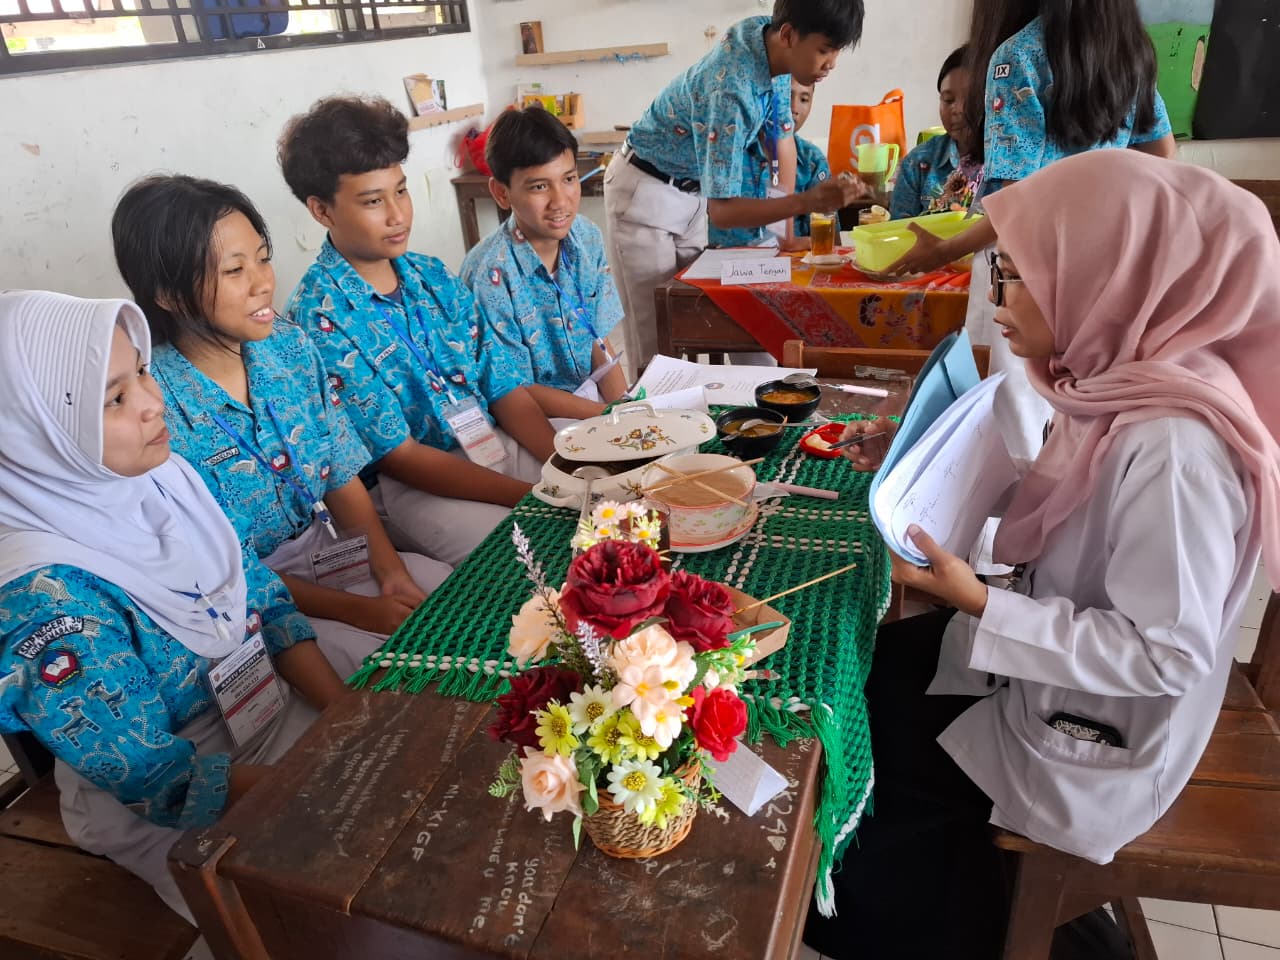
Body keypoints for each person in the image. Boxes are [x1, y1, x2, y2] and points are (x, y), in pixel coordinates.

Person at [806, 151, 1280, 959]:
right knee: (860, 678)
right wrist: (915, 457)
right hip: (1049, 651)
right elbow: (1074, 501)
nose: (997, 303)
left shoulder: (1175, 449)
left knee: (869, 762)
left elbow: (1166, 652)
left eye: (1017, 277)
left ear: (1108, 278)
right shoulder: (1125, 371)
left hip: (1104, 729)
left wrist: (980, 601)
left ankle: (969, 930)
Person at [0, 290, 354, 921]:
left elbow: (265, 602)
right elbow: (158, 781)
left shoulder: (164, 482)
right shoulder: (44, 602)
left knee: (425, 710)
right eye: (115, 398)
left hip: (265, 697)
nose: (152, 401)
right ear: (34, 432)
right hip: (179, 793)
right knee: (340, 904)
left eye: (141, 372)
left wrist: (348, 722)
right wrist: (339, 786)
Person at [112, 175, 452, 659]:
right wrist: (361, 611)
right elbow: (228, 570)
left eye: (263, 258)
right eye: (235, 270)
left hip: (333, 545)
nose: (263, 283)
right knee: (382, 667)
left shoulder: (288, 346)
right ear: (168, 293)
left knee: (450, 595)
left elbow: (340, 472)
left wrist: (391, 571)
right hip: (249, 600)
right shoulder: (155, 406)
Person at [278, 96, 605, 567]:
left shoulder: (430, 275)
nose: (398, 214)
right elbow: (402, 457)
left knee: (608, 475)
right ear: (322, 211)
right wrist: (533, 495)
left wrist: (561, 465)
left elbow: (503, 387)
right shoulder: (318, 318)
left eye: (401, 191)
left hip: (492, 439)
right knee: (536, 553)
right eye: (373, 201)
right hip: (413, 487)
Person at [890, 0, 1178, 461]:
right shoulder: (1128, 52)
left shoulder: (1017, 56)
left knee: (1011, 413)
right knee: (1083, 408)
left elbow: (1016, 206)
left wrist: (942, 250)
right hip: (1107, 265)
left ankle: (1010, 506)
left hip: (1027, 271)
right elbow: (1162, 157)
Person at [603, 0, 869, 371]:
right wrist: (807, 201)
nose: (832, 63)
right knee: (657, 341)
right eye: (825, 50)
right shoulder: (731, 89)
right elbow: (724, 213)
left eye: (837, 51)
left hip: (691, 193)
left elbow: (782, 144)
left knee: (702, 313)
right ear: (789, 35)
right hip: (646, 191)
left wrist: (784, 234)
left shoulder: (771, 44)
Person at [459, 107, 628, 404]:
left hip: (587, 402)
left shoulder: (587, 237)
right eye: (539, 186)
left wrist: (626, 407)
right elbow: (513, 390)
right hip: (525, 413)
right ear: (501, 193)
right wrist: (608, 418)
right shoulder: (489, 274)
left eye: (569, 179)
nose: (560, 201)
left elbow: (597, 340)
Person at [890, 46, 984, 219]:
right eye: (948, 100)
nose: (957, 109)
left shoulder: (1011, 163)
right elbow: (898, 228)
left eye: (970, 99)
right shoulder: (917, 163)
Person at [787, 78, 832, 239]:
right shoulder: (733, 152)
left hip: (796, 254)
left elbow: (828, 240)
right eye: (786, 96)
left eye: (804, 99)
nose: (794, 108)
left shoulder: (813, 162)